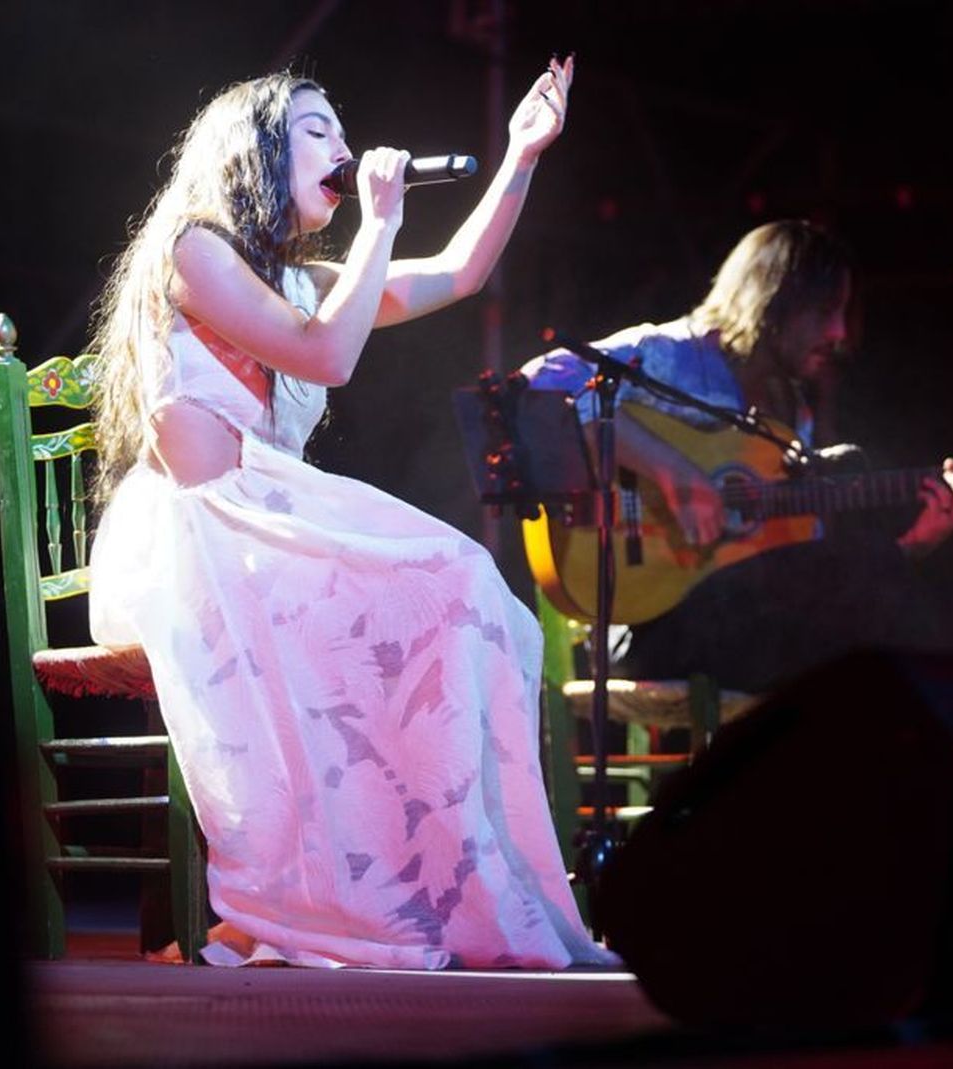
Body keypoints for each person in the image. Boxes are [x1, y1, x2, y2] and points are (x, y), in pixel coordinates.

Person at [85, 58, 616, 970]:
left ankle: (434, 891)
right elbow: (326, 357)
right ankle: (346, 897)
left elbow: (458, 274)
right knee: (436, 581)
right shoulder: (193, 246)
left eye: (342, 127)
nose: (345, 144)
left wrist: (521, 158)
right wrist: (379, 220)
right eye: (318, 130)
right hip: (203, 536)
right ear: (255, 151)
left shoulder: (293, 278)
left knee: (458, 589)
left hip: (269, 528)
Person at [519, 219, 953, 695]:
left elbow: (801, 561)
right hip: (645, 627)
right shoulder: (673, 355)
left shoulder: (790, 411)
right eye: (823, 311)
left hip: (744, 631)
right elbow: (537, 385)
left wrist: (906, 551)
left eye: (843, 313)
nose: (839, 332)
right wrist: (674, 472)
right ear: (772, 300)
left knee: (849, 607)